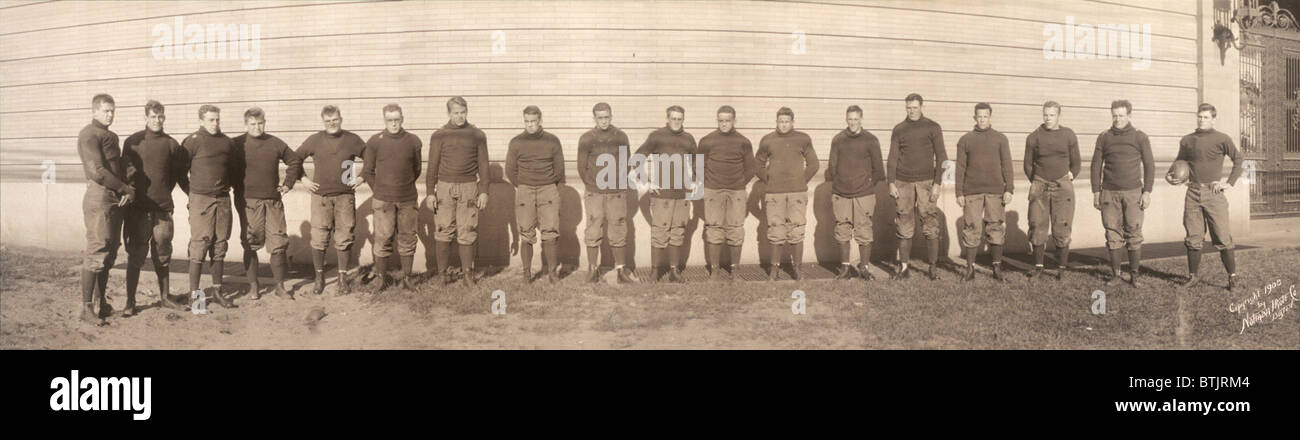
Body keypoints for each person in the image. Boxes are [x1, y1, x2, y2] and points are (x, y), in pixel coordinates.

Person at [121, 100, 189, 315]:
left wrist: (193, 195)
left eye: (160, 117)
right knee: (136, 255)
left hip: (162, 210)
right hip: (138, 210)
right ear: (145, 118)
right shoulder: (133, 142)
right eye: (153, 116)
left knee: (162, 253)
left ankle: (165, 297)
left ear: (164, 118)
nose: (157, 120)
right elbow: (127, 175)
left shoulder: (172, 144)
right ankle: (130, 302)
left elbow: (178, 177)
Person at [1169, 103, 1244, 291]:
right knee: (1193, 237)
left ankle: (1232, 278)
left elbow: (1238, 160)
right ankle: (1193, 277)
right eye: (1200, 117)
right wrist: (1172, 176)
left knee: (1222, 237)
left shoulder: (1222, 138)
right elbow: (1179, 163)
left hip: (1214, 193)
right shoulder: (1187, 140)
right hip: (1193, 192)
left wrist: (1229, 183)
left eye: (1206, 117)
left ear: (1213, 119)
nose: (1202, 120)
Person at [294, 105, 367, 295]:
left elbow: (372, 158)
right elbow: (295, 158)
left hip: (345, 196)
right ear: (323, 121)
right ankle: (319, 278)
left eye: (335, 119)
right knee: (319, 238)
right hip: (321, 197)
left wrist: (360, 177)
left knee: (344, 236)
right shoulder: (315, 139)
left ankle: (342, 278)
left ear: (340, 119)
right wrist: (303, 179)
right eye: (327, 121)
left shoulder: (352, 139)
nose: (331, 123)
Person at [77, 94, 134, 326]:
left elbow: (117, 166)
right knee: (98, 248)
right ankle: (86, 308)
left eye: (112, 111)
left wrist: (129, 184)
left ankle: (102, 304)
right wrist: (123, 187)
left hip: (115, 197)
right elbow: (97, 170)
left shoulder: (112, 135)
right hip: (99, 195)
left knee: (110, 251)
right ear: (94, 111)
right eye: (105, 111)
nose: (110, 115)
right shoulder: (88, 134)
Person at [425, 97, 489, 286]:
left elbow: (483, 165)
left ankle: (467, 275)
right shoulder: (439, 135)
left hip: (469, 187)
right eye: (455, 113)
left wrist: (484, 190)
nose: (459, 116)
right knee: (443, 230)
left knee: (467, 230)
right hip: (444, 187)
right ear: (449, 114)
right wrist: (430, 191)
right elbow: (432, 166)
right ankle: (443, 275)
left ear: (467, 112)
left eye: (462, 112)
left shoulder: (477, 135)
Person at [1090, 99, 1154, 287]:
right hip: (1109, 193)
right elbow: (1096, 166)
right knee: (1112, 233)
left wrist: (1147, 191)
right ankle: (1116, 275)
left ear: (1129, 115)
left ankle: (1134, 275)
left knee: (1134, 232)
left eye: (1121, 115)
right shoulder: (1104, 137)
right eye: (1114, 115)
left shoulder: (1140, 137)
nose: (1117, 119)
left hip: (1134, 192)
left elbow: (1149, 165)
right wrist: (1096, 191)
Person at [362, 104, 423, 293]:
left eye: (397, 119)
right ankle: (381, 280)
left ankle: (407, 279)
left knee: (407, 237)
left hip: (407, 198)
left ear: (402, 118)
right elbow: (368, 171)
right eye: (390, 120)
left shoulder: (413, 141)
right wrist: (379, 190)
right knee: (382, 238)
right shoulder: (375, 142)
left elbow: (417, 169)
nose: (394, 123)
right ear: (384, 120)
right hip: (383, 200)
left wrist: (403, 186)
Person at [183, 104, 238, 308]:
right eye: (210, 120)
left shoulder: (227, 143)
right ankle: (195, 297)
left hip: (223, 199)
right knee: (199, 245)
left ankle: (217, 292)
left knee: (220, 245)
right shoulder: (192, 142)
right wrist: (191, 192)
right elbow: (180, 170)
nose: (215, 123)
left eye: (217, 119)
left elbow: (233, 169)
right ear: (201, 121)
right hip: (201, 200)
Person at [887, 93, 947, 280]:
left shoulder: (933, 127)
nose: (912, 111)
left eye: (915, 107)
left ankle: (933, 268)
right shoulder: (899, 129)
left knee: (930, 223)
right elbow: (892, 158)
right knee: (904, 223)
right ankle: (904, 268)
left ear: (922, 106)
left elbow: (943, 157)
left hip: (926, 183)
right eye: (909, 108)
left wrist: (938, 183)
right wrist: (891, 182)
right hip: (903, 183)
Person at [635, 105, 697, 282]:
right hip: (662, 195)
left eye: (680, 119)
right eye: (673, 118)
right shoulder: (657, 136)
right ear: (667, 119)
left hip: (681, 195)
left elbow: (696, 162)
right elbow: (638, 156)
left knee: (677, 232)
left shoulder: (688, 138)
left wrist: (693, 180)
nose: (676, 122)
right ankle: (654, 272)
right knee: (660, 232)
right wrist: (646, 182)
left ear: (683, 119)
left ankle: (674, 272)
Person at [756, 107, 818, 281]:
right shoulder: (767, 140)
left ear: (792, 122)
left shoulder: (803, 139)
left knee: (796, 229)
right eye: (780, 122)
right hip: (775, 193)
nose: (783, 125)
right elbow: (757, 164)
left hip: (797, 193)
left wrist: (801, 180)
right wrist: (769, 179)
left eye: (786, 122)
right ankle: (774, 269)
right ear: (776, 122)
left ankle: (797, 269)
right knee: (776, 230)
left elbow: (814, 164)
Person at [505, 105, 566, 283]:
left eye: (533, 121)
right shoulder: (516, 142)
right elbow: (510, 170)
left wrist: (547, 183)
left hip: (548, 189)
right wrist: (524, 185)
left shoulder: (552, 140)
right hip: (525, 190)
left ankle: (552, 273)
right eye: (527, 121)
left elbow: (559, 168)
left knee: (550, 231)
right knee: (526, 232)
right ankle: (526, 273)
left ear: (540, 120)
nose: (530, 125)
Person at [955, 103, 1014, 282]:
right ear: (974, 117)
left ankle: (996, 267)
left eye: (985, 116)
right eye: (979, 116)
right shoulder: (965, 139)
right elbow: (960, 167)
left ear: (990, 117)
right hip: (972, 191)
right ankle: (970, 269)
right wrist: (959, 192)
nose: (982, 120)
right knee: (972, 228)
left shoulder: (1000, 139)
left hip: (995, 191)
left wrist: (1009, 188)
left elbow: (1007, 165)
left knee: (995, 227)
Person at [1024, 101, 1080, 280]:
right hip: (1040, 185)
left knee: (1062, 226)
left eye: (1052, 115)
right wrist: (1037, 180)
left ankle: (1061, 268)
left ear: (1058, 115)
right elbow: (1027, 164)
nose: (1048, 118)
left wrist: (1070, 176)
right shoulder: (1034, 137)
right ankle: (1038, 267)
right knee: (1037, 225)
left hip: (1062, 186)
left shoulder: (1068, 135)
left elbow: (1076, 162)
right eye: (1045, 115)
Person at [826, 105, 883, 281]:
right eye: (850, 119)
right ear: (846, 119)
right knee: (842, 229)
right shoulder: (838, 139)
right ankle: (845, 269)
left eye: (856, 119)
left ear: (861, 119)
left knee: (864, 230)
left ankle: (864, 268)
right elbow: (831, 168)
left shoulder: (871, 139)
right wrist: (842, 183)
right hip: (841, 193)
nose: (852, 123)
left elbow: (879, 170)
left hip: (864, 194)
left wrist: (865, 185)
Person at [698, 105, 755, 281]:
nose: (724, 124)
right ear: (717, 121)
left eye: (727, 121)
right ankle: (714, 271)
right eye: (721, 121)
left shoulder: (743, 142)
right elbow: (698, 166)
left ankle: (735, 271)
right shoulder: (707, 140)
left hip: (736, 191)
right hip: (713, 190)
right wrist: (708, 184)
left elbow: (751, 168)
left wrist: (738, 183)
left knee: (735, 229)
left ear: (734, 121)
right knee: (714, 228)